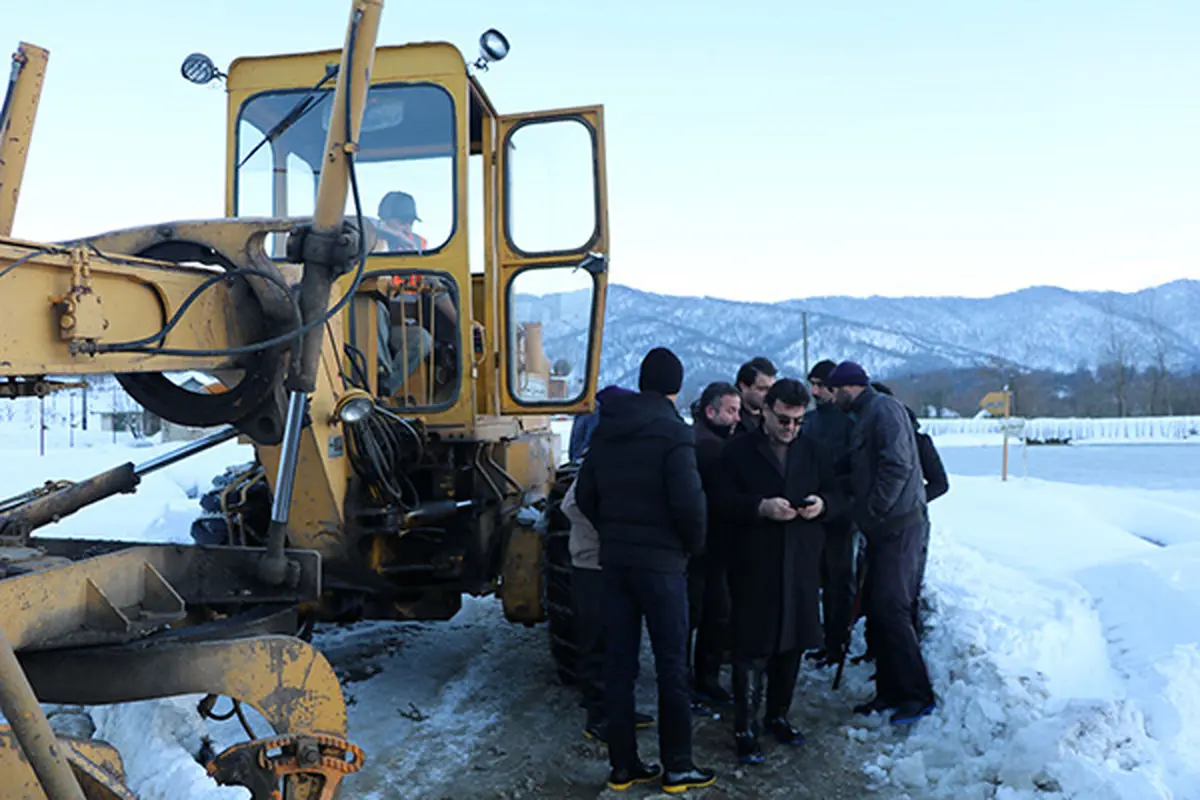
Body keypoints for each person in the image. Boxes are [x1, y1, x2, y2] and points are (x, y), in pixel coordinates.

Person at [575, 347, 716, 793]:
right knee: (673, 666)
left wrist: (612, 533)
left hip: (615, 565)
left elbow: (584, 495)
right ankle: (678, 767)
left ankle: (623, 767)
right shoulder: (675, 433)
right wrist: (691, 547)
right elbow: (689, 503)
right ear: (676, 386)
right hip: (663, 567)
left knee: (620, 666)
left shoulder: (608, 428)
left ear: (641, 381)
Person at [715, 378, 844, 764]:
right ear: (766, 410)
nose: (790, 429)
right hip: (755, 563)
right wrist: (759, 507)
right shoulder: (737, 451)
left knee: (793, 646)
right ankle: (745, 726)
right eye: (784, 420)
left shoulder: (814, 451)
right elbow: (719, 501)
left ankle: (778, 715)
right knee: (751, 649)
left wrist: (823, 505)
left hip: (802, 562)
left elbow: (840, 496)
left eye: (797, 422)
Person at [825, 361, 936, 726]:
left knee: (892, 608)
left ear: (847, 387)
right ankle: (889, 691)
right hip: (882, 529)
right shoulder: (865, 414)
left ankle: (917, 695)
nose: (829, 396)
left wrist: (872, 511)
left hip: (899, 527)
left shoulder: (883, 410)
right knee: (878, 610)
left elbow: (898, 466)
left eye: (832, 389)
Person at [558, 406, 657, 743]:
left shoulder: (617, 459)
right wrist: (605, 527)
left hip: (610, 562)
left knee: (617, 643)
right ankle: (598, 716)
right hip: (591, 563)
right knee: (596, 643)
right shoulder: (594, 462)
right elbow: (570, 505)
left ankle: (618, 710)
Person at [800, 359, 859, 667]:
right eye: (812, 384)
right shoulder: (808, 422)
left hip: (842, 513)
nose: (815, 391)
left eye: (821, 385)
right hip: (812, 510)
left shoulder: (851, 422)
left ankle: (838, 641)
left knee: (839, 581)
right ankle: (820, 638)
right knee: (815, 578)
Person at [686, 381, 741, 709]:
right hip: (702, 548)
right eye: (731, 411)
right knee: (699, 616)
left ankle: (703, 680)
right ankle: (696, 682)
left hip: (713, 547)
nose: (736, 417)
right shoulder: (707, 448)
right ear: (711, 411)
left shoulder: (713, 442)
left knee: (714, 615)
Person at [734, 357, 777, 435]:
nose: (768, 394)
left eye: (771, 389)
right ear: (744, 387)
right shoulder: (732, 419)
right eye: (762, 389)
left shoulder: (775, 417)